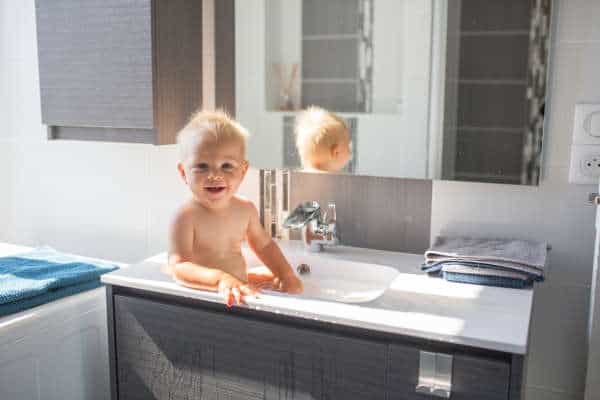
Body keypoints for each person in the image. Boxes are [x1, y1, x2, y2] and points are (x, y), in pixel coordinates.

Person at [168, 110, 303, 306]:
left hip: (238, 294)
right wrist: (221, 280)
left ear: (243, 170)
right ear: (183, 172)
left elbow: (264, 245)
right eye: (202, 166)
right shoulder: (185, 217)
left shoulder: (245, 209)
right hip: (205, 300)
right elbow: (179, 267)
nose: (214, 175)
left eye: (227, 166)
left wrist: (285, 274)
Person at [295, 106, 352, 172]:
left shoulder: (295, 178)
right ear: (336, 152)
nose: (350, 151)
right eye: (348, 145)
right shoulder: (337, 181)